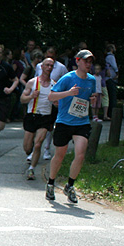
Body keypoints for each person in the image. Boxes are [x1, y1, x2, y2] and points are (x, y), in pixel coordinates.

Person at [45, 49, 98, 203]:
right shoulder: (67, 78)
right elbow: (51, 96)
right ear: (77, 61)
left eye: (90, 61)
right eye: (85, 61)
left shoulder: (91, 80)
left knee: (80, 154)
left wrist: (92, 99)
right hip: (64, 122)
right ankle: (51, 183)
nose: (88, 64)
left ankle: (70, 185)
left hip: (81, 122)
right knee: (60, 155)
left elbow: (90, 97)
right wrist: (68, 93)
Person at [20, 57, 56, 180]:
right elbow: (22, 99)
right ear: (41, 67)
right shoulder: (32, 82)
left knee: (38, 144)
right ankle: (30, 155)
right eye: (47, 65)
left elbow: (57, 102)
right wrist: (31, 96)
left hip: (45, 117)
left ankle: (31, 169)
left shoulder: (54, 84)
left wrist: (56, 103)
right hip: (32, 115)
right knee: (27, 147)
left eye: (51, 66)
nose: (49, 68)